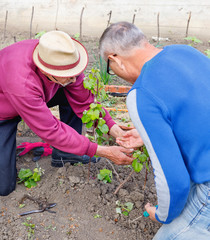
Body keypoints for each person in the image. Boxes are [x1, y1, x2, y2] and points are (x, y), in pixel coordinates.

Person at [99, 22, 210, 240]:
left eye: (110, 69)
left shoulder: (141, 94)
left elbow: (174, 180)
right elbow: (197, 108)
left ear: (115, 58)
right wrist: (151, 134)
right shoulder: (186, 52)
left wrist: (162, 215)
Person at [0, 30, 134, 196]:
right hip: (3, 110)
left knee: (71, 92)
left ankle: (65, 153)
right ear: (47, 72)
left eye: (74, 74)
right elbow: (51, 130)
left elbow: (85, 101)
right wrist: (100, 150)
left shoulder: (59, 58)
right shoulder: (22, 82)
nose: (74, 79)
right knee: (4, 186)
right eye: (68, 77)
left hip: (31, 95)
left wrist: (115, 129)